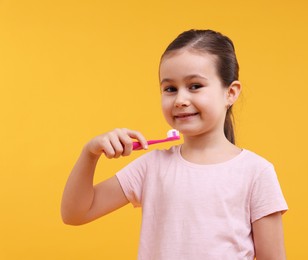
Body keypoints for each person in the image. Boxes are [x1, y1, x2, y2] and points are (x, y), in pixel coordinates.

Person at [61, 29, 288, 259]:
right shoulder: (152, 167)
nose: (180, 100)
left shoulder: (256, 172)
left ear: (230, 93)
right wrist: (90, 154)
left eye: (195, 86)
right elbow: (74, 214)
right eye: (170, 89)